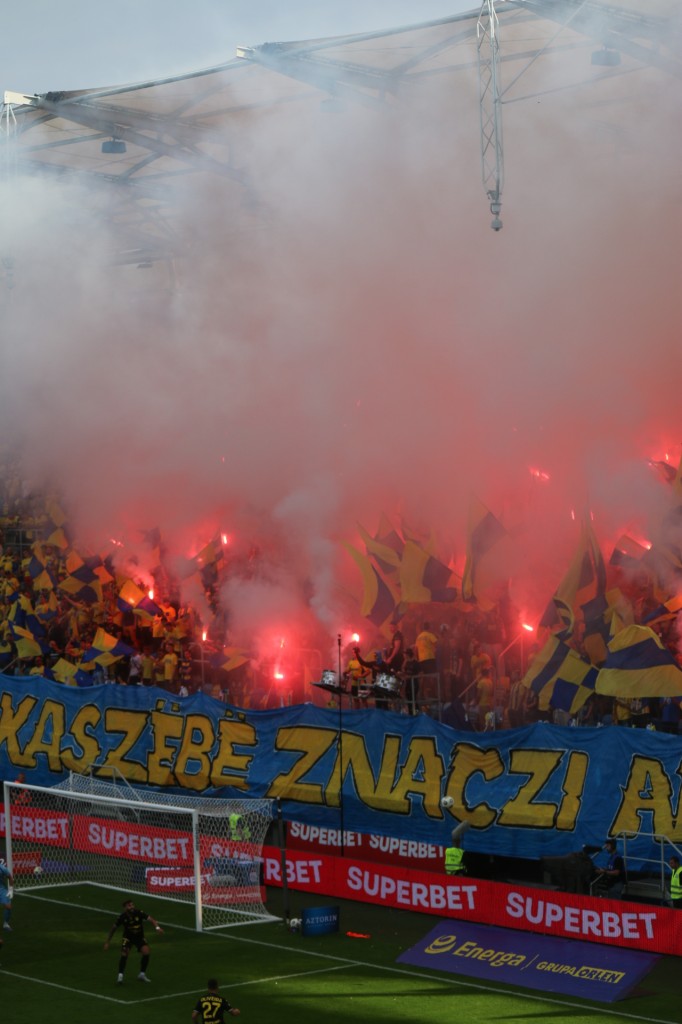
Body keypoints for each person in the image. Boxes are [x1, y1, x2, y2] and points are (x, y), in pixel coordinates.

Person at [104, 897, 163, 984]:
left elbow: (152, 920)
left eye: (132, 905)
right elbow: (113, 929)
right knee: (125, 953)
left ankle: (142, 974)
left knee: (146, 952)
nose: (132, 907)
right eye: (129, 906)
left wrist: (157, 928)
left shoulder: (139, 913)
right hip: (128, 938)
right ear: (125, 908)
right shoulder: (122, 917)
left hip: (139, 937)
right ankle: (120, 976)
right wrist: (107, 942)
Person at [0, 860, 13, 931]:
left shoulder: (2, 868)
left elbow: (10, 877)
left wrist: (10, 890)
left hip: (1, 889)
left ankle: (6, 924)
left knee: (8, 906)